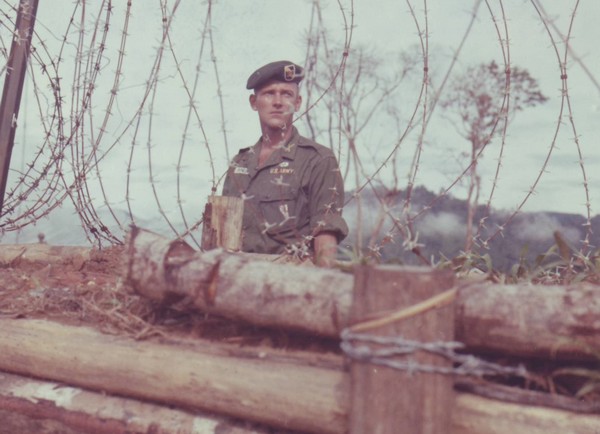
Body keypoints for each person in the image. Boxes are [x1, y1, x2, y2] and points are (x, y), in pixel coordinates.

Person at [222, 60, 348, 266]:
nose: (278, 102)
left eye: (286, 94)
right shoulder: (240, 163)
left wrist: (321, 287)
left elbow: (325, 237)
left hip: (289, 283)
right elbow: (223, 231)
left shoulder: (318, 160)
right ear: (254, 102)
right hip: (239, 280)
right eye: (269, 93)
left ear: (297, 103)